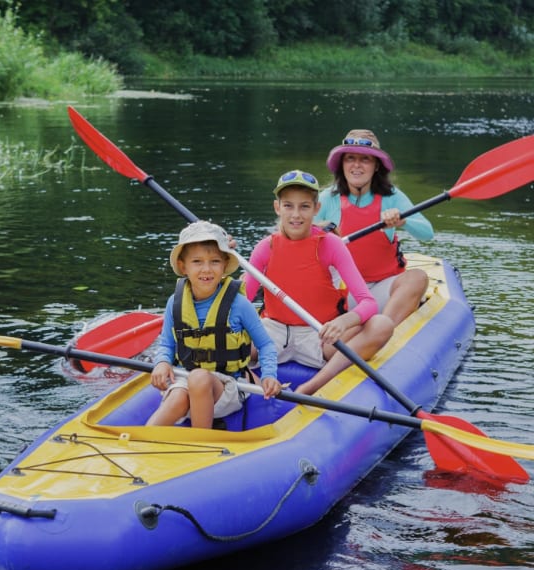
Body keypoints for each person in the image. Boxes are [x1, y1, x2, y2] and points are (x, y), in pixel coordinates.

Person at [244, 170, 394, 396]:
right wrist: (222, 257)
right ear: (278, 207)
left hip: (319, 335)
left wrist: (344, 322)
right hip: (271, 334)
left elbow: (367, 302)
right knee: (224, 328)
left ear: (316, 209)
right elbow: (241, 300)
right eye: (288, 206)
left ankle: (313, 386)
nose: (296, 214)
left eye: (304, 206)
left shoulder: (331, 245)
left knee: (382, 324)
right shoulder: (265, 247)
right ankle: (253, 380)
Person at [146, 220, 282, 428]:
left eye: (215, 261)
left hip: (229, 385)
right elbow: (166, 344)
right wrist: (162, 363)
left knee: (199, 378)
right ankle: (144, 439)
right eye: (197, 262)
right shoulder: (175, 302)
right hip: (186, 378)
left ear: (225, 265)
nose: (206, 269)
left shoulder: (239, 304)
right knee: (181, 393)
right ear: (183, 266)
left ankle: (201, 443)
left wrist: (269, 375)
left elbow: (265, 345)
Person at [316, 129, 434, 326]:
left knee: (417, 278)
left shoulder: (392, 197)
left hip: (383, 289)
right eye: (350, 158)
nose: (356, 165)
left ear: (376, 165)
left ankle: (382, 330)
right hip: (344, 293)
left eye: (365, 159)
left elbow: (427, 232)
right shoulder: (328, 199)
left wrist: (403, 221)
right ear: (342, 164)